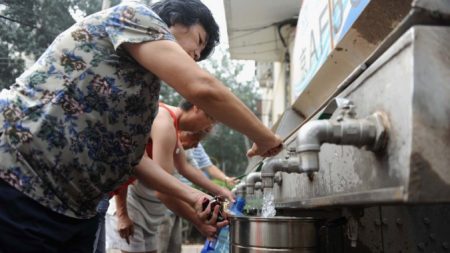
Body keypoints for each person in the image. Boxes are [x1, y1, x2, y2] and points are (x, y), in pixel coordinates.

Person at [0, 0, 282, 252]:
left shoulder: (142, 91)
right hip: (23, 179)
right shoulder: (135, 15)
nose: (196, 54)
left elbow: (133, 160)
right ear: (174, 18)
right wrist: (264, 137)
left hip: (73, 212)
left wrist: (194, 198)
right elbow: (203, 88)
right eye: (198, 40)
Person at [106, 101, 235, 253]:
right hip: (130, 207)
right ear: (197, 107)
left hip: (149, 214)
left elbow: (184, 167)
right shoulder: (163, 122)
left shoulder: (171, 123)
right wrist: (198, 220)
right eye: (211, 121)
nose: (208, 128)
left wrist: (221, 191)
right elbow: (163, 190)